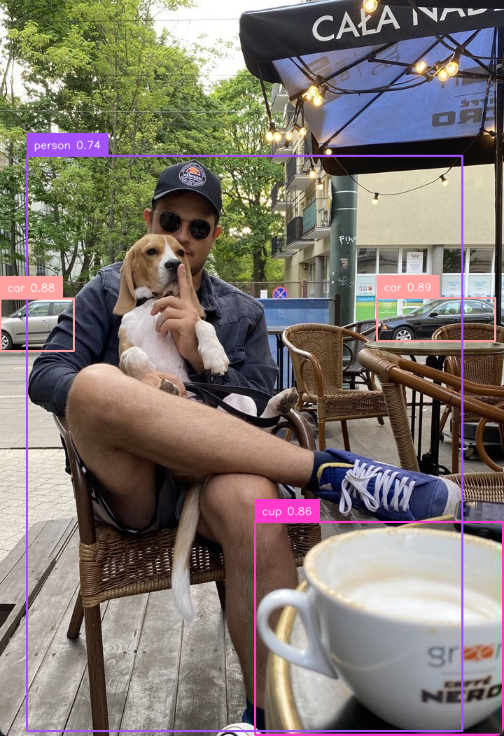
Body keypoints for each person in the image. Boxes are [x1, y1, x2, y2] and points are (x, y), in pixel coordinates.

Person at [28, 160, 460, 735]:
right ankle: (328, 473)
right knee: (94, 384)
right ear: (150, 221)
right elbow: (46, 375)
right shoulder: (104, 291)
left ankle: (271, 714)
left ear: (214, 236)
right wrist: (133, 391)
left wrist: (195, 350)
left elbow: (261, 407)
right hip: (134, 489)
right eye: (170, 222)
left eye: (198, 228)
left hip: (215, 479)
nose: (182, 239)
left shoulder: (241, 311)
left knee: (258, 506)